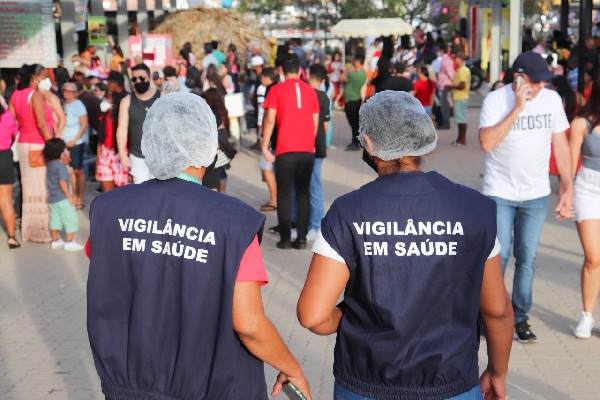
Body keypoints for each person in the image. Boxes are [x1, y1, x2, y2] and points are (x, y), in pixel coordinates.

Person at [86, 92, 312, 400]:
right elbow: (248, 324)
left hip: (129, 386)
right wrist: (291, 367)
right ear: (208, 144)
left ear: (150, 140)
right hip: (212, 387)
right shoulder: (233, 221)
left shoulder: (109, 208)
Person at [297, 91, 514, 400]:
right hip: (451, 383)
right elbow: (497, 310)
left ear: (368, 143)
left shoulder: (347, 212)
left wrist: (346, 317)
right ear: (423, 139)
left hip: (366, 384)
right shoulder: (473, 208)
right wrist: (497, 371)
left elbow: (313, 316)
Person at [479, 50, 575, 343]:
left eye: (545, 81)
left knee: (527, 258)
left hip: (536, 194)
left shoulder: (552, 100)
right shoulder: (496, 101)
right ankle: (490, 315)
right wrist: (517, 108)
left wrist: (568, 188)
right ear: (519, 78)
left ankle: (520, 317)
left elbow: (561, 146)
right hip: (499, 191)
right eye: (536, 81)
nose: (542, 86)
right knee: (498, 255)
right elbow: (486, 143)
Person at [262, 56, 319, 250]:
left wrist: (265, 145)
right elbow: (315, 122)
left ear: (282, 71)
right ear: (300, 71)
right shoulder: (310, 91)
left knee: (284, 194)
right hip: (306, 150)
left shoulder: (276, 90)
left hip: (285, 150)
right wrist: (310, 142)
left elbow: (270, 119)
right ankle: (301, 239)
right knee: (303, 193)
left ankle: (285, 239)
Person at [569, 76, 600, 339]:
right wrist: (565, 195)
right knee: (593, 257)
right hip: (588, 190)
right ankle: (587, 316)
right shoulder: (582, 123)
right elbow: (569, 164)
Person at [9, 64, 54, 243]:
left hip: (23, 144)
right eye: (45, 76)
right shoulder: (35, 95)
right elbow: (42, 124)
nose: (47, 79)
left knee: (28, 189)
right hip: (38, 145)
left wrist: (20, 135)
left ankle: (28, 230)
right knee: (41, 188)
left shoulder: (16, 94)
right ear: (35, 78)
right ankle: (41, 231)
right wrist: (54, 147)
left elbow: (12, 121)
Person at [116, 63, 160, 184]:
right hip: (137, 156)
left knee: (161, 191)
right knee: (142, 191)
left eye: (141, 78)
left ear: (149, 77)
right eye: (134, 79)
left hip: (160, 155)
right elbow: (122, 128)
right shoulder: (126, 101)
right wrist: (122, 153)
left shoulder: (162, 96)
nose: (138, 81)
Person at [43, 138, 84, 251]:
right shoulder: (60, 166)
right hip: (63, 198)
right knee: (70, 219)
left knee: (55, 218)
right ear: (61, 152)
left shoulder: (50, 164)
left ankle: (55, 240)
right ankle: (69, 242)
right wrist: (70, 197)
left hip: (52, 198)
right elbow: (62, 182)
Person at [306, 64, 330, 242]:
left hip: (308, 146)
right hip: (319, 145)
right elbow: (326, 125)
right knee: (313, 186)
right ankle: (314, 224)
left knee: (313, 187)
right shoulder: (324, 97)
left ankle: (316, 226)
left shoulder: (308, 94)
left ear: (309, 75)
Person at [96, 75, 129, 192]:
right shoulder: (105, 116)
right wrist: (97, 163)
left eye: (109, 97)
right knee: (108, 196)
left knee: (122, 195)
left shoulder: (124, 115)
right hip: (105, 154)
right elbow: (101, 140)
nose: (106, 100)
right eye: (106, 97)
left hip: (122, 154)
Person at [61, 82, 89, 209]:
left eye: (70, 91)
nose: (67, 93)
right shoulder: (61, 104)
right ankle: (72, 196)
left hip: (76, 142)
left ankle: (79, 197)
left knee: (78, 170)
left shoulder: (79, 105)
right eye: (65, 90)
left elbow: (84, 124)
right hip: (63, 142)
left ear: (75, 93)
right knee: (70, 171)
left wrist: (75, 140)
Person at [258, 68, 279, 213]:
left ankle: (274, 200)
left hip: (272, 137)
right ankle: (276, 198)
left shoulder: (270, 90)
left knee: (266, 167)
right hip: (277, 135)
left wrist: (264, 137)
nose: (261, 80)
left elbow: (268, 117)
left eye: (262, 77)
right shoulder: (278, 87)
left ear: (267, 78)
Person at [0, 97, 20, 249]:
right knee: (6, 200)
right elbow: (15, 134)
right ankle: (12, 237)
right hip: (4, 157)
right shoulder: (7, 116)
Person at [341, 54, 366, 151]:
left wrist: (346, 70)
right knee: (355, 122)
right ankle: (355, 141)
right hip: (356, 98)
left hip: (351, 99)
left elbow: (341, 78)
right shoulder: (363, 73)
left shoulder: (352, 74)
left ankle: (355, 142)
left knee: (353, 122)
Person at [446, 53, 470, 146]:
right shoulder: (463, 69)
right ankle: (459, 139)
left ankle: (462, 140)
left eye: (455, 58)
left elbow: (462, 85)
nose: (454, 60)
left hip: (461, 97)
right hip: (461, 97)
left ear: (459, 59)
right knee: (460, 119)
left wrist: (451, 86)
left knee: (461, 119)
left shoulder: (462, 70)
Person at [436, 45, 455, 130]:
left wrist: (453, 83)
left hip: (445, 85)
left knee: (444, 105)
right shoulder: (446, 59)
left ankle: (446, 122)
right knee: (444, 104)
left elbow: (450, 73)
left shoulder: (445, 59)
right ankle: (445, 121)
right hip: (445, 84)